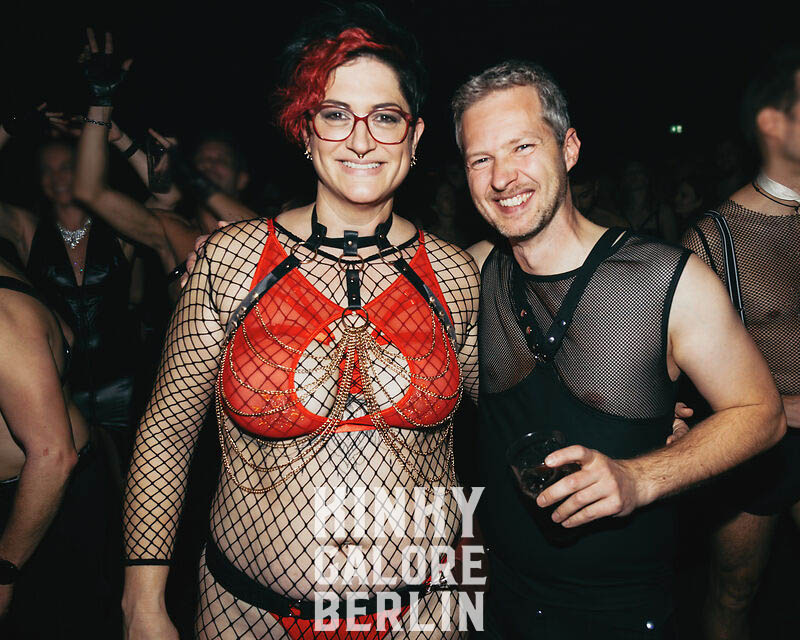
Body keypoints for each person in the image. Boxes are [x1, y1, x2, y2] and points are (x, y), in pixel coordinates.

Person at [122, 5, 480, 639]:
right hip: (248, 613)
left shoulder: (454, 273)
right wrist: (142, 602)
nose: (361, 140)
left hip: (425, 614)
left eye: (386, 117)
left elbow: (515, 414)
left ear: (416, 136)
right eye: (336, 115)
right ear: (305, 131)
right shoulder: (231, 260)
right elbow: (167, 435)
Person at [452, 60, 785, 639]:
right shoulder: (472, 274)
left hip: (622, 613)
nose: (502, 177)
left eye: (522, 146)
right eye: (481, 159)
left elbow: (761, 412)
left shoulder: (667, 280)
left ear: (569, 149)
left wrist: (639, 477)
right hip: (497, 602)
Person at [681, 46, 800, 640]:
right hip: (759, 449)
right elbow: (687, 376)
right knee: (735, 591)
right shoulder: (713, 238)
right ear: (773, 125)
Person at [0, 99, 141, 461]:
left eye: (66, 167)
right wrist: (8, 129)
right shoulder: (28, 229)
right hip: (61, 388)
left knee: (131, 481)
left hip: (123, 385)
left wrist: (112, 139)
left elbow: (164, 198)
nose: (56, 177)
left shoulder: (119, 228)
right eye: (46, 170)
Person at [73, 29, 256, 305]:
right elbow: (89, 191)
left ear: (242, 179)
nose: (209, 165)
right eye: (202, 160)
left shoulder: (271, 226)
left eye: (221, 161)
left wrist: (190, 174)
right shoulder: (170, 229)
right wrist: (101, 101)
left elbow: (259, 233)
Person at [0, 256, 121, 638]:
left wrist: (4, 572)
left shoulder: (3, 316)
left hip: (39, 503)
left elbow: (52, 456)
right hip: (52, 492)